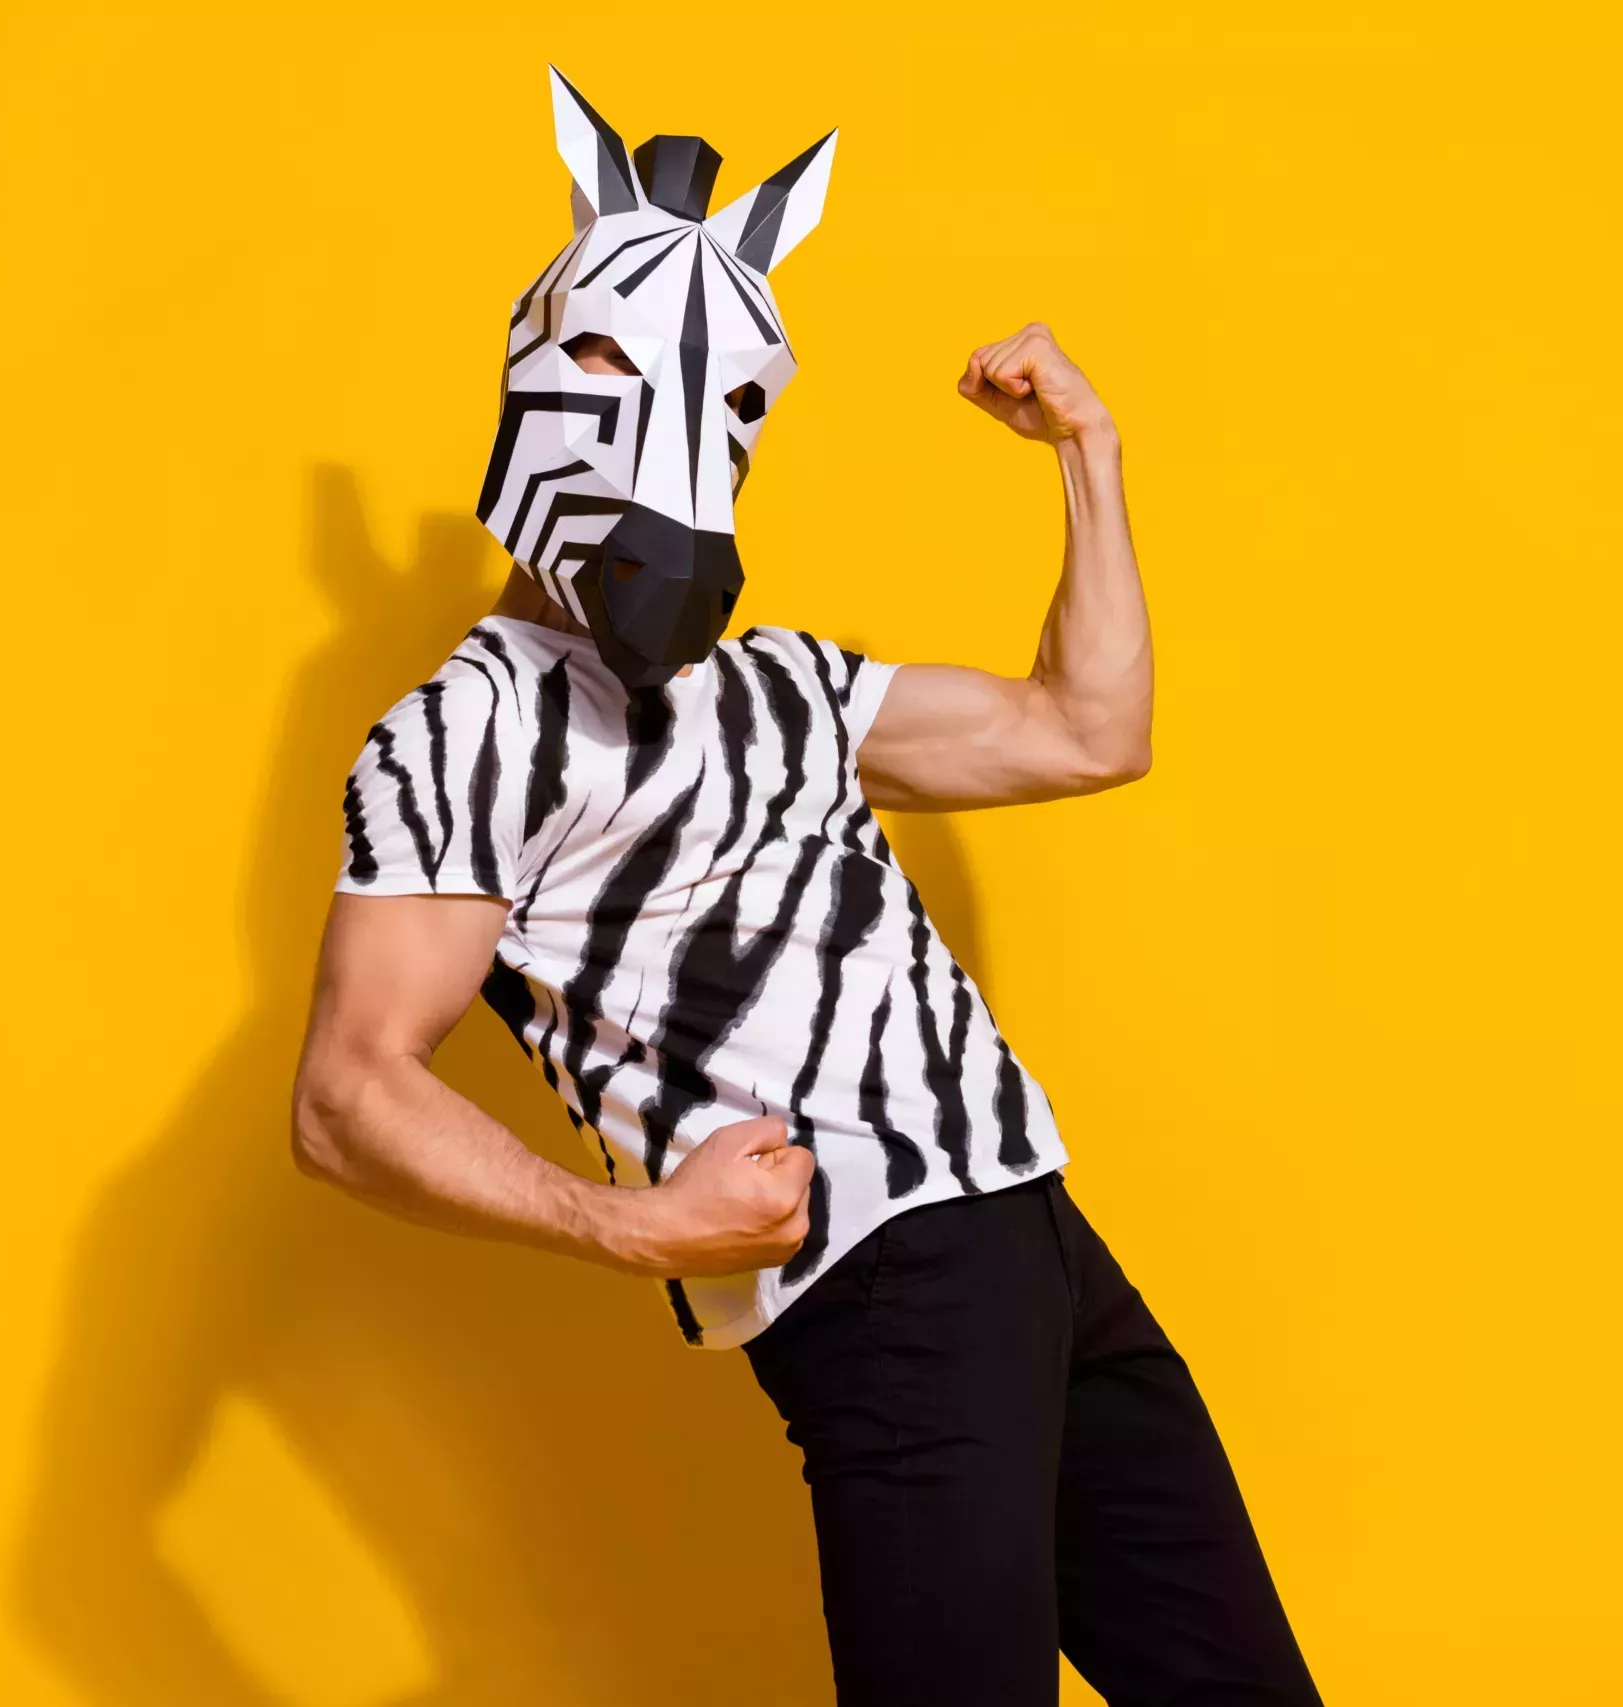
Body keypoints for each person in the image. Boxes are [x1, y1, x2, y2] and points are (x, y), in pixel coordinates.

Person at [291, 69, 1321, 1706]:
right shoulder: (468, 728)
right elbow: (347, 1094)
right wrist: (632, 1222)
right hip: (886, 1287)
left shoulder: (786, 684)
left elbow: (1089, 728)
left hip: (1045, 1234)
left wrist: (1090, 456)